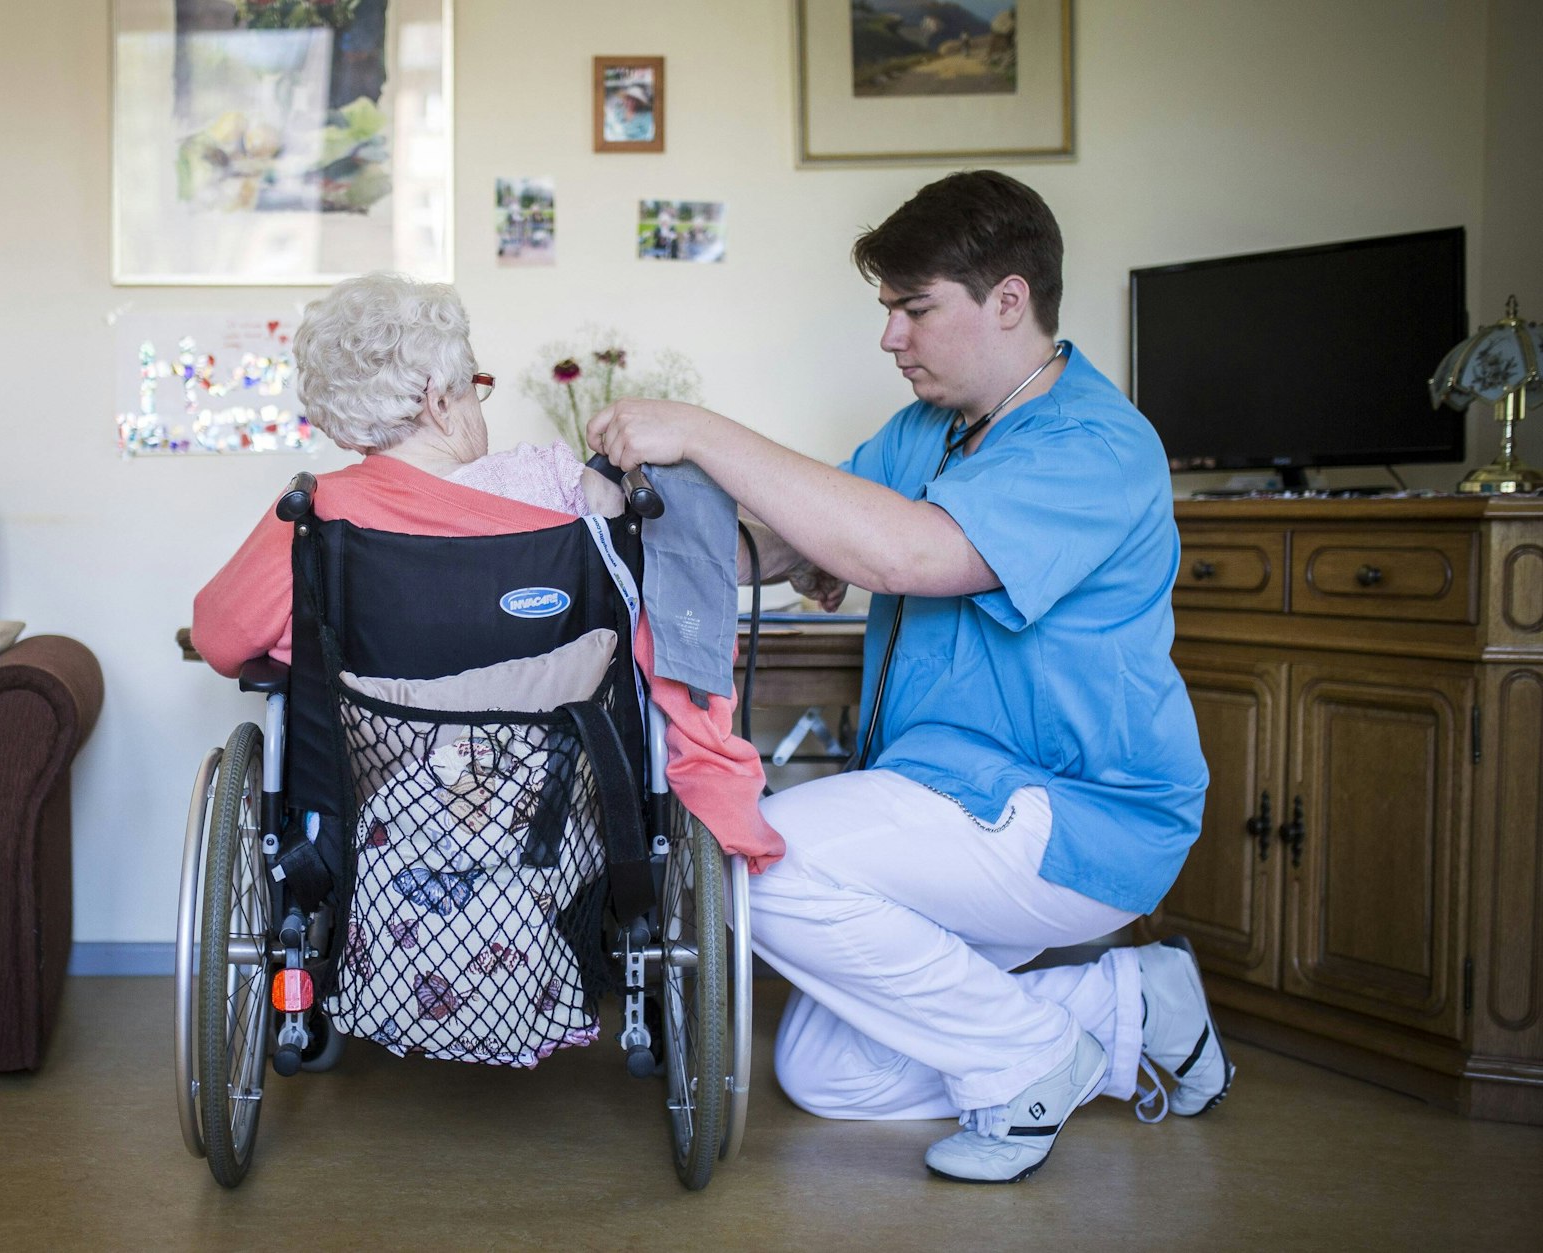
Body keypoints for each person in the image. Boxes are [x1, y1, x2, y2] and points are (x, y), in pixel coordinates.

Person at [586, 171, 1225, 1184]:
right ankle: (1126, 1006)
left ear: (1007, 300)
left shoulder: (1091, 444)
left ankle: (1025, 1059)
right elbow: (806, 543)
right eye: (887, 308)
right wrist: (638, 524)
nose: (889, 336)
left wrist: (701, 429)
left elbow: (908, 556)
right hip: (950, 803)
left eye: (912, 307)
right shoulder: (926, 431)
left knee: (758, 856)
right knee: (827, 1074)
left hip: (1070, 813)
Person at [191, 272, 786, 869]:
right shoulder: (559, 488)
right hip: (558, 825)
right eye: (476, 385)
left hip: (377, 828)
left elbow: (218, 641)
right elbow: (673, 559)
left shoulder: (312, 516)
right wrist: (796, 558)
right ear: (439, 399)